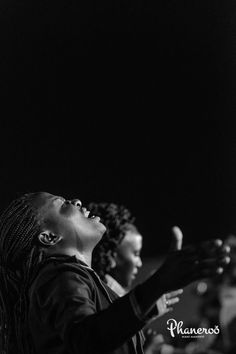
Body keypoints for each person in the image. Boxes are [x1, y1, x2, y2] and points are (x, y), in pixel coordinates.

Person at [0, 192, 230, 354]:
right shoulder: (58, 276)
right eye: (62, 204)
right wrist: (158, 283)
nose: (77, 200)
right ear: (49, 237)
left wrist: (152, 301)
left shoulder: (76, 280)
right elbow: (86, 339)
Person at [88, 201, 184, 354]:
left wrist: (147, 308)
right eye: (136, 254)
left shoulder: (109, 294)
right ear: (112, 256)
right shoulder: (104, 299)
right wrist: (146, 350)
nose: (139, 263)